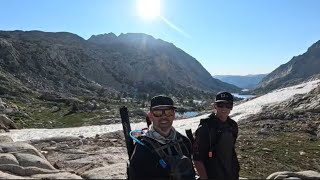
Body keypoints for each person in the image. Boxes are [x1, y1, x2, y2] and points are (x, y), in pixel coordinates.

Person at [128, 95, 196, 180]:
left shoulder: (184, 141)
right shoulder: (142, 148)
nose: (164, 117)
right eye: (158, 113)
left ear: (174, 114)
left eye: (168, 112)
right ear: (150, 116)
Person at [193, 91, 240, 180]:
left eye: (228, 105)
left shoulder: (233, 125)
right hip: (212, 175)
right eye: (220, 105)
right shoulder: (205, 127)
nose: (224, 108)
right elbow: (197, 158)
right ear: (215, 106)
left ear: (232, 107)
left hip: (231, 174)